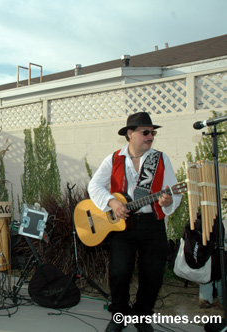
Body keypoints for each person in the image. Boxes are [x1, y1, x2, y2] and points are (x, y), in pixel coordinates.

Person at [87, 112, 182, 332]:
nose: (151, 136)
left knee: (153, 274)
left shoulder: (161, 159)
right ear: (130, 134)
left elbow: (173, 193)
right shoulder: (113, 159)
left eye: (153, 132)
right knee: (119, 272)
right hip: (122, 223)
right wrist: (111, 202)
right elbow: (94, 186)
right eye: (145, 132)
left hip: (152, 223)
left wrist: (168, 200)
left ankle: (141, 316)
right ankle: (119, 315)